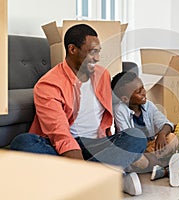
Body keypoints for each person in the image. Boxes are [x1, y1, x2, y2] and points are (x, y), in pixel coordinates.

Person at [9, 24, 147, 196]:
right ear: (72, 49)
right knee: (23, 144)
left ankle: (70, 180)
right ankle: (107, 176)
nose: (97, 58)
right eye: (92, 52)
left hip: (96, 145)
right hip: (61, 147)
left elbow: (112, 117)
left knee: (136, 138)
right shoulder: (48, 84)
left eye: (98, 52)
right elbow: (60, 134)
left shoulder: (102, 75)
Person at [111, 71, 179, 172]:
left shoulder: (148, 105)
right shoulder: (120, 110)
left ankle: (155, 166)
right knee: (138, 158)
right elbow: (128, 140)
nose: (144, 92)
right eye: (138, 92)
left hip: (150, 146)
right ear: (125, 99)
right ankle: (160, 166)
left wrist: (162, 134)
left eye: (142, 87)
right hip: (135, 149)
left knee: (172, 138)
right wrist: (149, 156)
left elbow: (166, 123)